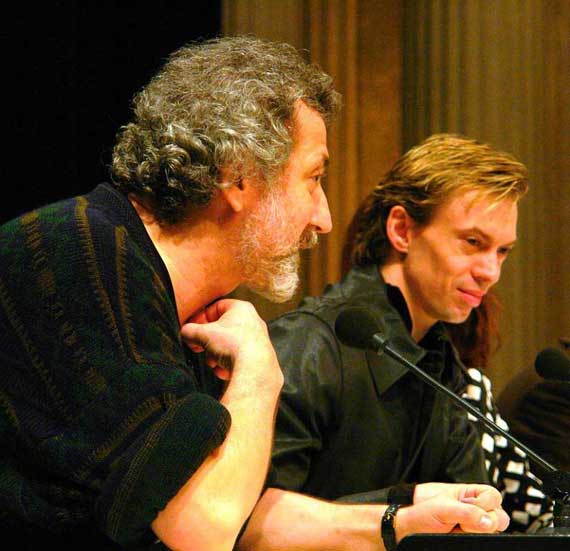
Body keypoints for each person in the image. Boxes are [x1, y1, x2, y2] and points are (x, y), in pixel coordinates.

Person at [0, 37, 509, 551]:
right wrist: (261, 374)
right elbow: (204, 526)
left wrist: (400, 518)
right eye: (313, 178)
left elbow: (236, 510)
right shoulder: (78, 253)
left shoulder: (170, 297)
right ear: (239, 177)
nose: (324, 218)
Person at [266, 133, 530, 532]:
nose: (490, 272)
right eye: (473, 242)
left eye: (502, 251)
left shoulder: (442, 364)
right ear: (402, 230)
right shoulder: (308, 344)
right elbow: (247, 522)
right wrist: (402, 510)